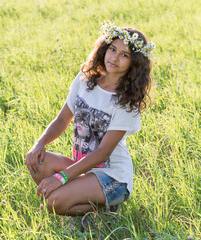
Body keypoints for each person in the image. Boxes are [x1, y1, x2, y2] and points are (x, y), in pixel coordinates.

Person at [25, 20, 155, 216]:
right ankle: (78, 194)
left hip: (112, 178)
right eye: (112, 49)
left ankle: (104, 208)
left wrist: (60, 178)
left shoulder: (127, 102)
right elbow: (62, 120)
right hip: (85, 169)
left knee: (52, 202)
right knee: (37, 162)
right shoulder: (86, 79)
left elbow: (103, 153)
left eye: (124, 55)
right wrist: (39, 143)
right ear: (105, 48)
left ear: (133, 63)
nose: (115, 57)